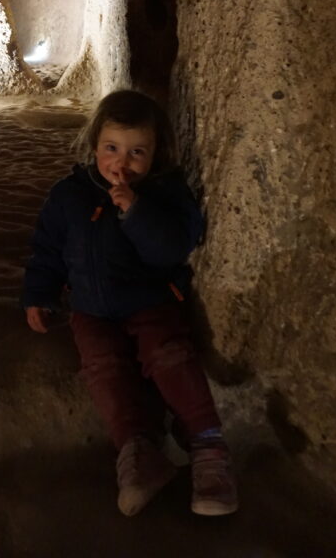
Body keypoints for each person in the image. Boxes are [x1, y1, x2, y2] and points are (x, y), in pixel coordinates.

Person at [21, 89, 238, 517]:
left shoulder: (165, 193)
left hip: (149, 300)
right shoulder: (70, 195)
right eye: (111, 148)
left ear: (156, 154)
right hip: (90, 308)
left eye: (137, 151)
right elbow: (47, 249)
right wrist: (39, 295)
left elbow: (172, 247)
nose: (122, 162)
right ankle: (138, 452)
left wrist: (136, 212)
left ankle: (208, 447)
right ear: (94, 145)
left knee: (169, 354)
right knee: (102, 366)